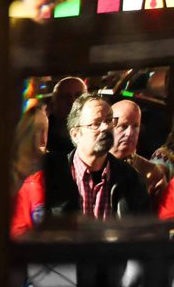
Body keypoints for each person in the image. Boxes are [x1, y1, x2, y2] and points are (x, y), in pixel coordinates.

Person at [12, 94, 153, 235]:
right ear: (75, 135)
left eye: (109, 120)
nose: (105, 128)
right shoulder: (47, 176)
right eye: (95, 124)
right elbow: (20, 232)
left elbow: (144, 236)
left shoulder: (130, 179)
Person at [111, 99, 166, 202]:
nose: (130, 133)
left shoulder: (152, 173)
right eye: (123, 126)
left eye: (135, 126)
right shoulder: (95, 165)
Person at [12, 101, 48, 193]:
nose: (44, 139)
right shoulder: (11, 168)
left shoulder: (49, 165)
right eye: (39, 130)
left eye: (46, 131)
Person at [45, 76, 86, 154]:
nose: (73, 101)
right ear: (53, 104)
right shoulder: (42, 133)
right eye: (65, 97)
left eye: (78, 96)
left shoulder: (97, 133)